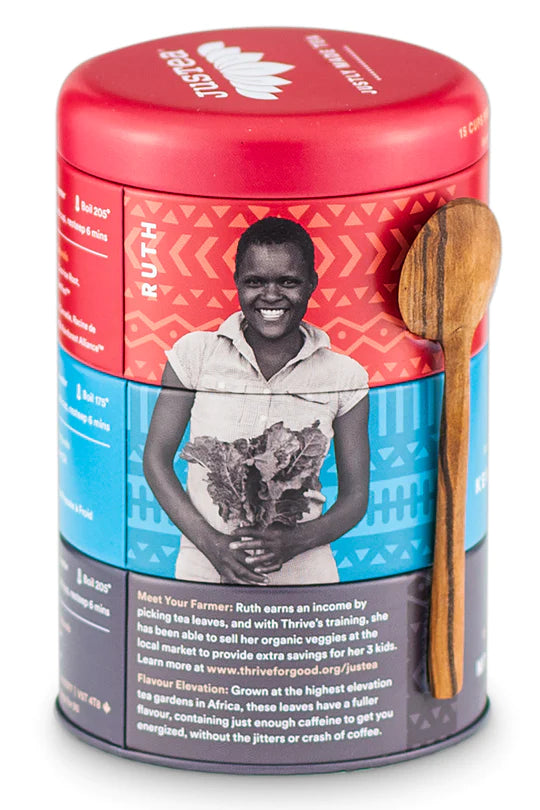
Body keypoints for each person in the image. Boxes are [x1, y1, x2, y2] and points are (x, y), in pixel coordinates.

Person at [143, 217, 370, 585]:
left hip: (305, 573)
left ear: (311, 283)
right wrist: (213, 545)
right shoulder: (195, 354)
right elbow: (155, 459)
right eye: (255, 282)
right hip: (203, 566)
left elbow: (355, 499)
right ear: (237, 282)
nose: (271, 295)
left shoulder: (345, 376)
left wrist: (294, 541)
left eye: (288, 282)